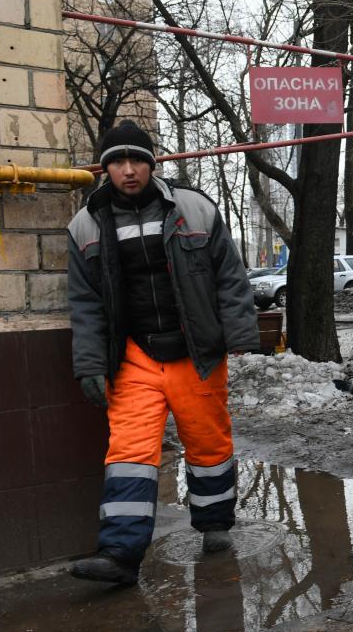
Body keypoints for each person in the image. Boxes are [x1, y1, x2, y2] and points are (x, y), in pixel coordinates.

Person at [66, 120, 260, 585]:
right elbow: (85, 303)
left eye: (137, 160)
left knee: (208, 443)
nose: (128, 170)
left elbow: (230, 280)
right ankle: (120, 553)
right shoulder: (85, 226)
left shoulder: (195, 209)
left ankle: (214, 524)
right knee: (129, 451)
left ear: (153, 165)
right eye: (117, 162)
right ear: (105, 168)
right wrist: (91, 364)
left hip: (196, 352)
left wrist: (243, 339)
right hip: (134, 357)